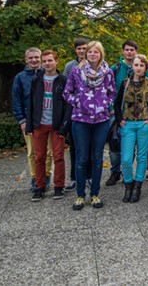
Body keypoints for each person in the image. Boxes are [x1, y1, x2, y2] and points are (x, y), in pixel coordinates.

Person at [63, 41, 115, 210]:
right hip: (80, 120)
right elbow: (67, 92)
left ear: (101, 54)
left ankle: (94, 194)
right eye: (90, 52)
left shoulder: (107, 72)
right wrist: (78, 102)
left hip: (101, 120)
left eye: (96, 52)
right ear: (86, 54)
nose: (92, 54)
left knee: (97, 158)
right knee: (81, 158)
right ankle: (80, 195)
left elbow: (112, 92)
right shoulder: (76, 71)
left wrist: (104, 104)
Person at [25, 50, 71, 202]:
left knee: (58, 156)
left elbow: (68, 105)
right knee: (39, 157)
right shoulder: (36, 80)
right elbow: (31, 103)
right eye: (44, 61)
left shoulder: (63, 80)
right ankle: (40, 187)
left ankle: (59, 186)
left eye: (50, 60)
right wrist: (29, 126)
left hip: (56, 125)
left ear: (56, 61)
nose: (47, 63)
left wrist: (65, 125)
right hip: (39, 124)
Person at [114, 54, 148, 203]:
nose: (138, 68)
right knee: (126, 158)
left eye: (141, 65)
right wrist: (120, 120)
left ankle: (137, 186)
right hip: (128, 124)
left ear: (146, 67)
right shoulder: (125, 83)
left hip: (144, 124)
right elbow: (117, 103)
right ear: (132, 66)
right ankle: (128, 185)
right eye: (136, 65)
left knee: (142, 157)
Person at [12, 47, 52, 192]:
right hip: (29, 120)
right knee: (32, 152)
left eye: (36, 57)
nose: (34, 60)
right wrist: (22, 120)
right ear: (26, 59)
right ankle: (35, 178)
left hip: (47, 119)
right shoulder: (20, 78)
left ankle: (46, 177)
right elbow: (16, 100)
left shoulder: (49, 74)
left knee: (48, 152)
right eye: (31, 58)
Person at [106, 40, 139, 187]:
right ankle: (115, 171)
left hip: (134, 113)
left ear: (136, 51)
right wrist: (111, 107)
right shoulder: (115, 68)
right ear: (123, 51)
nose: (129, 52)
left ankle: (126, 171)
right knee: (114, 142)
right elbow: (107, 89)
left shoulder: (139, 67)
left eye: (132, 50)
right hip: (116, 111)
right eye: (127, 50)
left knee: (130, 145)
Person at [62, 37, 90, 192]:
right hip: (75, 111)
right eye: (79, 48)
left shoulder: (96, 65)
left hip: (91, 112)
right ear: (75, 50)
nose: (82, 51)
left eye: (84, 48)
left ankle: (89, 176)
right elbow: (67, 88)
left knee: (91, 147)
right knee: (75, 147)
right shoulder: (70, 66)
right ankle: (74, 177)